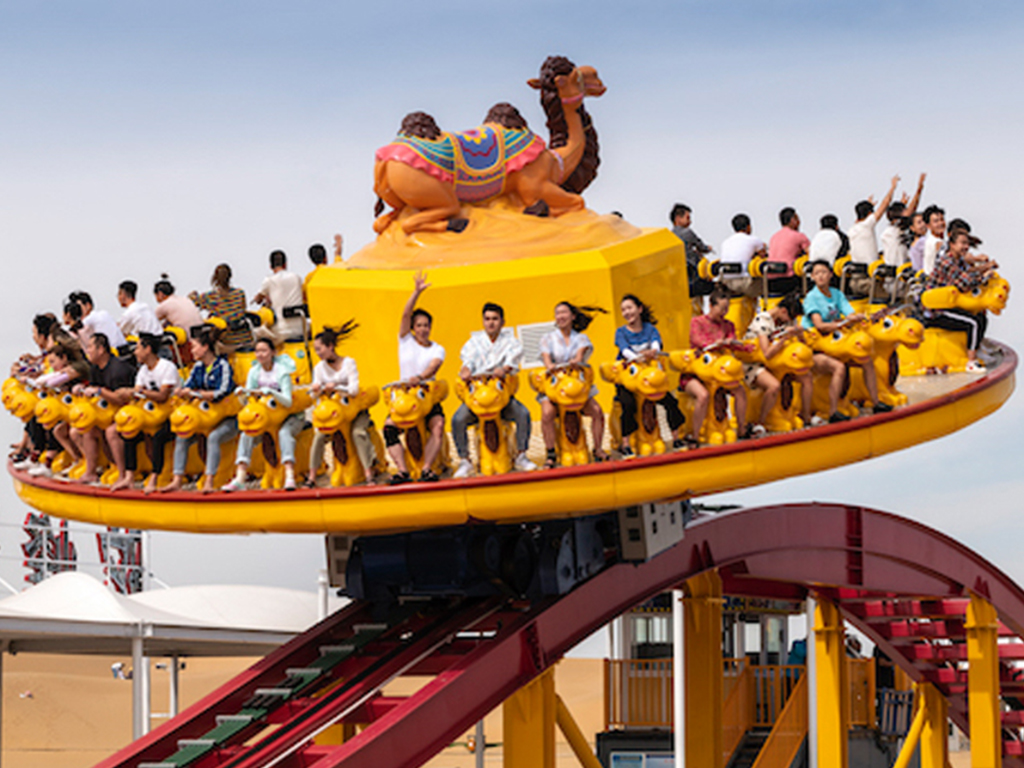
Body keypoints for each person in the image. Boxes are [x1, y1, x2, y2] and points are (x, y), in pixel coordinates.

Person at [452, 303, 537, 478]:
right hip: (478, 396)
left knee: (523, 414)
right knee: (458, 419)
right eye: (487, 319)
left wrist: (504, 369)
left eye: (495, 319)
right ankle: (465, 460)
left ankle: (521, 455)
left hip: (500, 396)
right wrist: (466, 370)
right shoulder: (473, 343)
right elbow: (466, 362)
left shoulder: (511, 342)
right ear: (483, 321)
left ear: (502, 322)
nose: (491, 323)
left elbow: (513, 360)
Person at [801, 260, 891, 418]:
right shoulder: (811, 298)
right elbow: (819, 325)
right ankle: (833, 411)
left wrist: (858, 318)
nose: (820, 276)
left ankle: (876, 403)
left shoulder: (837, 294)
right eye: (817, 273)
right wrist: (840, 324)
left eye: (823, 272)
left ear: (830, 275)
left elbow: (849, 315)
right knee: (839, 367)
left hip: (836, 343)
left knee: (867, 360)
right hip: (816, 347)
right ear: (813, 277)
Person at [385, 272, 446, 484]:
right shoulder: (405, 340)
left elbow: (434, 366)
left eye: (426, 325)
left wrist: (419, 377)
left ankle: (427, 468)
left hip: (425, 396)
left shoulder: (437, 348)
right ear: (413, 327)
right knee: (389, 428)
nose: (423, 329)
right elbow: (405, 315)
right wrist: (416, 292)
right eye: (419, 325)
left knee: (437, 425)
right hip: (405, 398)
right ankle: (402, 470)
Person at [160, 325, 238, 493]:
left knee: (214, 437)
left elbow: (222, 392)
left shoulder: (222, 366)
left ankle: (210, 480)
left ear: (205, 347)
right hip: (205, 416)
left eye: (194, 347)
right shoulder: (197, 368)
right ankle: (177, 480)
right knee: (182, 436)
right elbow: (188, 386)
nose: (192, 351)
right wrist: (182, 392)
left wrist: (197, 394)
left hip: (227, 417)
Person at [223, 337, 305, 492]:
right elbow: (250, 397)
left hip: (289, 416)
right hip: (267, 416)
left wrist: (273, 393)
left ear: (273, 352)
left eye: (264, 350)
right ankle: (240, 477)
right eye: (257, 351)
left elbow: (287, 401)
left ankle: (289, 475)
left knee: (284, 433)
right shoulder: (254, 371)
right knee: (246, 434)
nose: (260, 354)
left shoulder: (282, 372)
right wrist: (243, 393)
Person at [538, 301, 609, 468]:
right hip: (556, 384)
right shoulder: (547, 338)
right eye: (558, 313)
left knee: (597, 411)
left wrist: (576, 362)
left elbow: (580, 355)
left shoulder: (581, 338)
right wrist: (551, 366)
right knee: (547, 413)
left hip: (577, 384)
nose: (560, 316)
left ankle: (597, 448)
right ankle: (550, 452)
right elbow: (546, 359)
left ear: (573, 316)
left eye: (564, 313)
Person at [306, 321, 378, 487]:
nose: (318, 353)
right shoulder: (319, 368)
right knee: (318, 436)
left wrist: (336, 387)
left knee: (357, 433)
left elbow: (353, 389)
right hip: (333, 413)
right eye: (316, 350)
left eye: (320, 349)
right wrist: (317, 389)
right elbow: (315, 392)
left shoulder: (349, 363)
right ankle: (312, 476)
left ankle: (369, 473)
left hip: (352, 410)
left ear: (330, 346)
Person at [743, 293, 829, 429]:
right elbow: (766, 354)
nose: (791, 321)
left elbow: (804, 347)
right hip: (755, 363)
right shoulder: (763, 321)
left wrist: (800, 335)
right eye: (791, 317)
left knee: (807, 377)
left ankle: (805, 416)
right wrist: (783, 339)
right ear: (783, 311)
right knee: (774, 386)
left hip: (780, 360)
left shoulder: (787, 320)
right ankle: (761, 422)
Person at [614, 294, 687, 453]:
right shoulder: (621, 332)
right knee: (628, 404)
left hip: (649, 377)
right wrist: (638, 358)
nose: (627, 312)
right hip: (630, 377)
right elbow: (624, 350)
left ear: (639, 309)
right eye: (623, 310)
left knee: (670, 401)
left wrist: (653, 352)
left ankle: (676, 437)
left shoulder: (650, 329)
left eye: (629, 308)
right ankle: (626, 443)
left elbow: (656, 344)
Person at [688, 286, 760, 439]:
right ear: (711, 306)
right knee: (704, 395)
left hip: (723, 369)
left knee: (740, 392)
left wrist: (745, 347)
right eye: (721, 308)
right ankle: (695, 435)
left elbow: (733, 341)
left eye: (726, 309)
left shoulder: (728, 325)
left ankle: (741, 429)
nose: (724, 312)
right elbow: (697, 340)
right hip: (703, 368)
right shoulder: (697, 322)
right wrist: (716, 342)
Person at [921, 229, 998, 372]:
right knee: (973, 323)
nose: (965, 247)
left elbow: (968, 273)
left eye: (967, 243)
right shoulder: (947, 262)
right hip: (937, 310)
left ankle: (974, 350)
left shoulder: (958, 260)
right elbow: (966, 283)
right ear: (952, 244)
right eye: (962, 243)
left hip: (948, 304)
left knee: (980, 316)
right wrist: (985, 276)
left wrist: (986, 268)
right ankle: (971, 362)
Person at [112, 333, 180, 493]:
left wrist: (141, 391)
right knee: (130, 434)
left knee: (158, 437)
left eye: (137, 348)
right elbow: (136, 392)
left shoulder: (167, 367)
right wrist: (127, 393)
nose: (135, 352)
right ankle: (129, 477)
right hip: (150, 413)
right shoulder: (143, 370)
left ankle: (155, 477)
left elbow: (163, 396)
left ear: (147, 349)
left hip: (170, 414)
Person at [72, 333, 135, 485]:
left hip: (128, 412)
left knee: (111, 431)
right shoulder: (94, 368)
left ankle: (122, 474)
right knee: (84, 429)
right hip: (107, 411)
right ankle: (90, 472)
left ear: (101, 350)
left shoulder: (119, 369)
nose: (87, 351)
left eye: (90, 348)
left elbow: (122, 399)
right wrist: (83, 388)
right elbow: (93, 390)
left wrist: (100, 391)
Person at [190, 264, 252, 350]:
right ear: (230, 276)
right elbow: (243, 310)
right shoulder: (239, 293)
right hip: (245, 338)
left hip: (227, 342)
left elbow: (193, 302)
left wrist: (193, 295)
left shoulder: (211, 296)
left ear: (214, 278)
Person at [252, 250, 306, 342]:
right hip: (302, 328)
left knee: (256, 332)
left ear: (270, 266)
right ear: (285, 264)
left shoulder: (269, 280)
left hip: (281, 331)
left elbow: (258, 300)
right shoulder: (297, 277)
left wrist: (264, 296)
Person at [848, 175, 901, 267]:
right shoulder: (867, 224)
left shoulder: (852, 230)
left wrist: (869, 205)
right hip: (870, 269)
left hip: (855, 268)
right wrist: (892, 188)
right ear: (869, 214)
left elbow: (859, 220)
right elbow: (885, 204)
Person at [880, 173, 926, 267]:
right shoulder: (896, 229)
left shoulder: (890, 230)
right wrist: (919, 190)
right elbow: (911, 211)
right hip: (897, 273)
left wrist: (902, 204)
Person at [670, 204, 713, 299]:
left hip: (680, 279)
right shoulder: (687, 232)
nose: (690, 222)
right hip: (694, 276)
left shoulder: (670, 235)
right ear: (678, 219)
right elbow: (702, 246)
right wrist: (708, 248)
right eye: (687, 218)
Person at [719, 214, 767, 298]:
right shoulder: (754, 240)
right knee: (767, 281)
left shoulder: (725, 242)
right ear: (748, 227)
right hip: (745, 284)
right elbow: (763, 255)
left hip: (726, 283)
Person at [767, 208, 810, 294]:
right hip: (788, 280)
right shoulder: (799, 236)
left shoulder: (773, 237)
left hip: (770, 281)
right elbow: (811, 253)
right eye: (797, 219)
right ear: (792, 220)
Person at [920, 205, 946, 276]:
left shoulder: (934, 239)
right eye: (936, 221)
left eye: (942, 219)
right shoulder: (936, 242)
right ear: (928, 226)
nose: (940, 223)